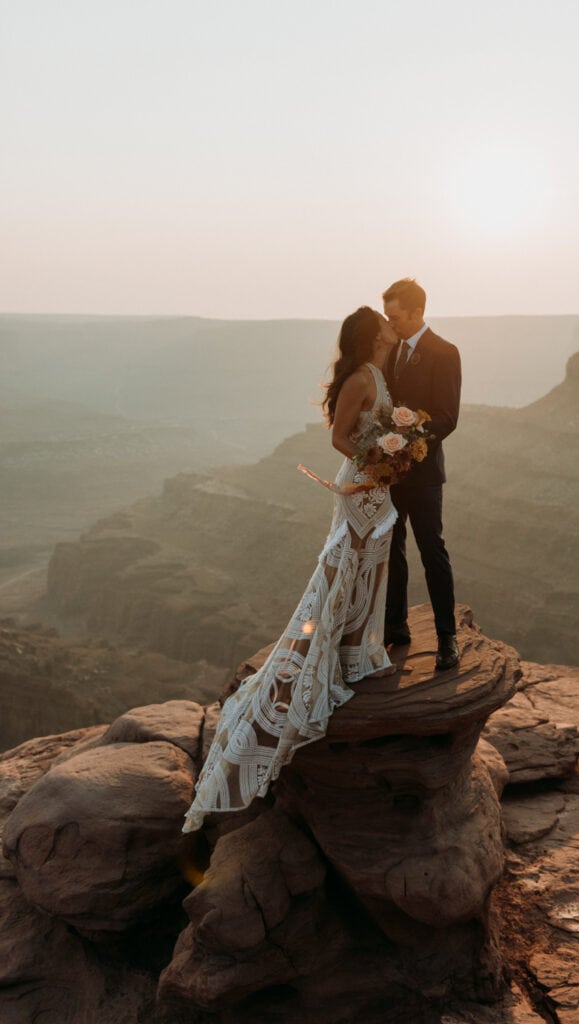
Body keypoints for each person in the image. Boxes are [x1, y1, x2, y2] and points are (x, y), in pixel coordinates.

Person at [183, 307, 399, 832]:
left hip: (379, 486)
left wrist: (395, 455)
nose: (394, 328)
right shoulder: (358, 378)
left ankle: (356, 650)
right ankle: (335, 655)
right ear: (374, 335)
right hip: (359, 487)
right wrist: (376, 464)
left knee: (371, 565)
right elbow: (339, 439)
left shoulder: (379, 373)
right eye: (386, 325)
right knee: (347, 562)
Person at [382, 278, 461, 672]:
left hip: (425, 473)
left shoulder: (444, 353)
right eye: (387, 316)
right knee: (392, 551)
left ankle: (447, 637)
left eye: (395, 316)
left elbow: (448, 417)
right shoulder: (389, 352)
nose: (390, 323)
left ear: (417, 313)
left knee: (432, 552)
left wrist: (410, 439)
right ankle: (395, 627)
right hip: (389, 474)